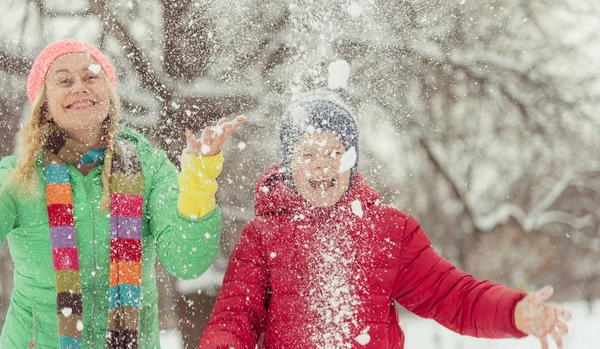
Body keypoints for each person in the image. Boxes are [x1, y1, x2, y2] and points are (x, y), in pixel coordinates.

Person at [199, 96, 571, 349]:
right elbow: (233, 320)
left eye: (334, 152)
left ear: (352, 161)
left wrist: (514, 311)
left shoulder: (389, 232)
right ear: (288, 163)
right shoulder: (262, 236)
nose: (321, 164)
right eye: (307, 152)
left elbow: (450, 295)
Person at [0, 39, 244, 348]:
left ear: (108, 93)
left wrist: (197, 182)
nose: (80, 87)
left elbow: (186, 262)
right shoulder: (17, 176)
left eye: (91, 77)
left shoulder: (150, 167)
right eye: (64, 80)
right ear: (44, 105)